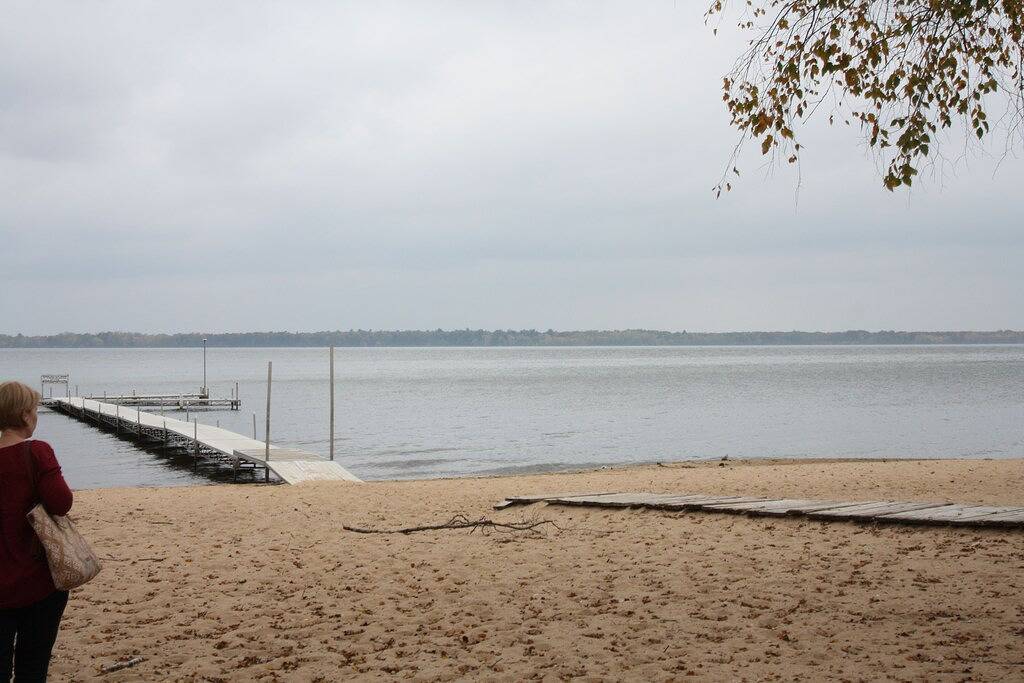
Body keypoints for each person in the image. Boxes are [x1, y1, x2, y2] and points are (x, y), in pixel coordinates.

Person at [0, 381, 73, 683]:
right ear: (25, 415)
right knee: (33, 667)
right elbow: (61, 502)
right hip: (37, 582)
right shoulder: (37, 452)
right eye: (35, 410)